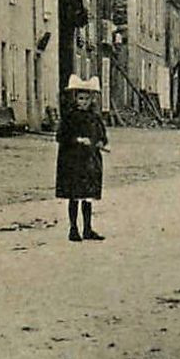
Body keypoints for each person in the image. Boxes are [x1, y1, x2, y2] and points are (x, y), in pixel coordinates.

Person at [56, 75, 109, 242]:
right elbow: (61, 136)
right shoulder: (70, 117)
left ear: (91, 99)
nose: (83, 102)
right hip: (73, 160)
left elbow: (102, 135)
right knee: (74, 194)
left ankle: (87, 228)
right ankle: (73, 229)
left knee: (88, 195)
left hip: (90, 160)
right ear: (76, 99)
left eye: (86, 99)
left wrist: (100, 142)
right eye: (80, 98)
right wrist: (78, 140)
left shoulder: (95, 117)